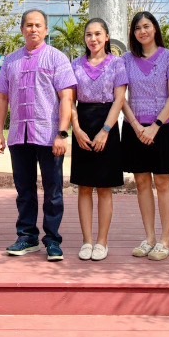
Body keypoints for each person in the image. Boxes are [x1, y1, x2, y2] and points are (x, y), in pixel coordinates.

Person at [0, 9, 77, 262]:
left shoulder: (57, 58)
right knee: (24, 190)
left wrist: (62, 133)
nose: (33, 29)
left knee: (53, 190)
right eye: (29, 25)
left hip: (49, 135)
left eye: (38, 25)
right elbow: (2, 98)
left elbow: (67, 97)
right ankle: (27, 237)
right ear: (22, 29)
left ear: (46, 29)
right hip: (19, 135)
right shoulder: (11, 61)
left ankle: (52, 240)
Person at [121, 11, 169, 261]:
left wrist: (155, 126)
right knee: (142, 183)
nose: (142, 31)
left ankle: (165, 240)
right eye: (137, 28)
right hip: (135, 128)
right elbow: (120, 97)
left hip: (163, 127)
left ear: (155, 28)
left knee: (163, 182)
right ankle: (149, 238)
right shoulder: (126, 59)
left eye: (146, 26)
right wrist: (137, 126)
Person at [70, 18, 127, 261]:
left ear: (106, 37)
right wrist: (76, 129)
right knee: (84, 187)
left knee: (104, 188)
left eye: (97, 34)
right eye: (89, 34)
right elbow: (69, 101)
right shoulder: (75, 64)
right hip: (82, 124)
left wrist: (105, 130)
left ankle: (102, 241)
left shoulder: (117, 64)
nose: (93, 39)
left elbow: (119, 99)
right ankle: (87, 241)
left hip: (108, 124)